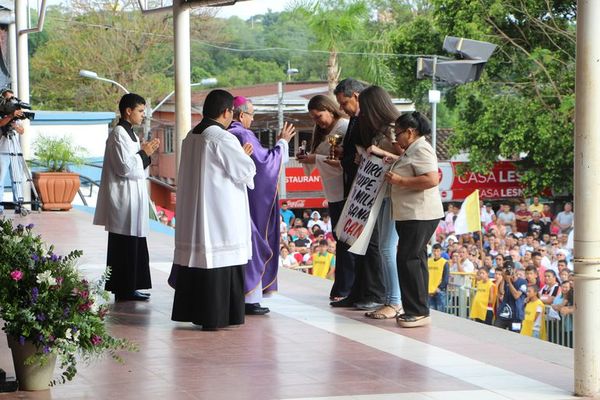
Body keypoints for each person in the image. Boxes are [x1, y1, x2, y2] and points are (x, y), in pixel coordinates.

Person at [170, 89, 256, 330]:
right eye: (232, 113)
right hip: (219, 213)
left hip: (196, 213)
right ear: (226, 112)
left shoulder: (191, 135)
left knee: (200, 260)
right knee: (218, 258)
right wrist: (243, 155)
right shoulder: (222, 138)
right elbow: (245, 171)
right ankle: (216, 316)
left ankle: (197, 312)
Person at [228, 96, 296, 316]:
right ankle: (250, 299)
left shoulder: (228, 133)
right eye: (251, 115)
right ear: (240, 115)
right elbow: (265, 164)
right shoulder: (242, 133)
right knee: (254, 246)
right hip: (249, 201)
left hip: (235, 199)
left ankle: (245, 296)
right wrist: (283, 142)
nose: (252, 119)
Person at [93, 93, 159, 301]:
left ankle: (130, 286)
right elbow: (124, 168)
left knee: (135, 243)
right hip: (123, 198)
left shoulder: (130, 133)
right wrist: (143, 153)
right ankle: (123, 288)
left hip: (133, 197)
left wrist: (145, 154)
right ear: (128, 111)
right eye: (140, 111)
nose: (143, 115)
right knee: (123, 246)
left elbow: (137, 168)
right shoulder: (118, 134)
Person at [330, 78, 385, 310]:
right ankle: (357, 290)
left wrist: (362, 155)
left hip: (370, 187)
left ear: (356, 96)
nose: (342, 109)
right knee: (353, 240)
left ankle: (374, 292)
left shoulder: (372, 118)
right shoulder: (354, 119)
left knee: (370, 243)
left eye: (344, 103)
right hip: (354, 185)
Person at [386, 111, 444, 328]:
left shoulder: (421, 148)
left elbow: (431, 179)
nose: (396, 138)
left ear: (410, 132)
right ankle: (418, 308)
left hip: (420, 214)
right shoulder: (411, 149)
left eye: (398, 133)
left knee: (408, 259)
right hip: (410, 213)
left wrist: (400, 180)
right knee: (415, 259)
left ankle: (417, 310)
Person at [354, 86, 403, 319]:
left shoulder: (394, 130)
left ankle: (394, 301)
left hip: (393, 194)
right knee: (385, 248)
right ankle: (389, 299)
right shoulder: (382, 130)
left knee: (386, 248)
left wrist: (378, 152)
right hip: (381, 194)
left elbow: (407, 160)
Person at [298, 94, 349, 299]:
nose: (317, 121)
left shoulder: (343, 127)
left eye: (319, 116)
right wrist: (309, 158)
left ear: (330, 109)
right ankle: (343, 286)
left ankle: (346, 287)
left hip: (345, 190)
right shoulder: (322, 131)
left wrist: (315, 158)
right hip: (333, 191)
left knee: (346, 240)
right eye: (314, 118)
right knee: (339, 238)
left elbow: (340, 161)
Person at [0, 89, 26, 208]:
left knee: (17, 178)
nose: (11, 100)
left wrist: (15, 125)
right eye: (9, 98)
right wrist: (10, 116)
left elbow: (22, 131)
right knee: (0, 179)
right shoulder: (1, 110)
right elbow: (1, 123)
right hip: (2, 149)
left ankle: (18, 205)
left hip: (14, 149)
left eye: (12, 98)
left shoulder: (16, 113)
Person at [494, 260, 527, 332]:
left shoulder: (523, 282)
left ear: (514, 269)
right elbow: (501, 292)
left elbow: (516, 296)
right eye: (505, 269)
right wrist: (503, 279)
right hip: (503, 314)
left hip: (516, 315)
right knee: (496, 332)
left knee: (515, 336)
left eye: (509, 269)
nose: (508, 271)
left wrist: (509, 281)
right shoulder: (505, 280)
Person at [428, 244, 449, 312]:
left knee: (441, 313)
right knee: (431, 312)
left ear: (441, 251)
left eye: (437, 251)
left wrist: (440, 288)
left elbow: (446, 277)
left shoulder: (444, 262)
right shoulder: (429, 261)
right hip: (429, 291)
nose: (435, 253)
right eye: (434, 251)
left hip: (439, 291)